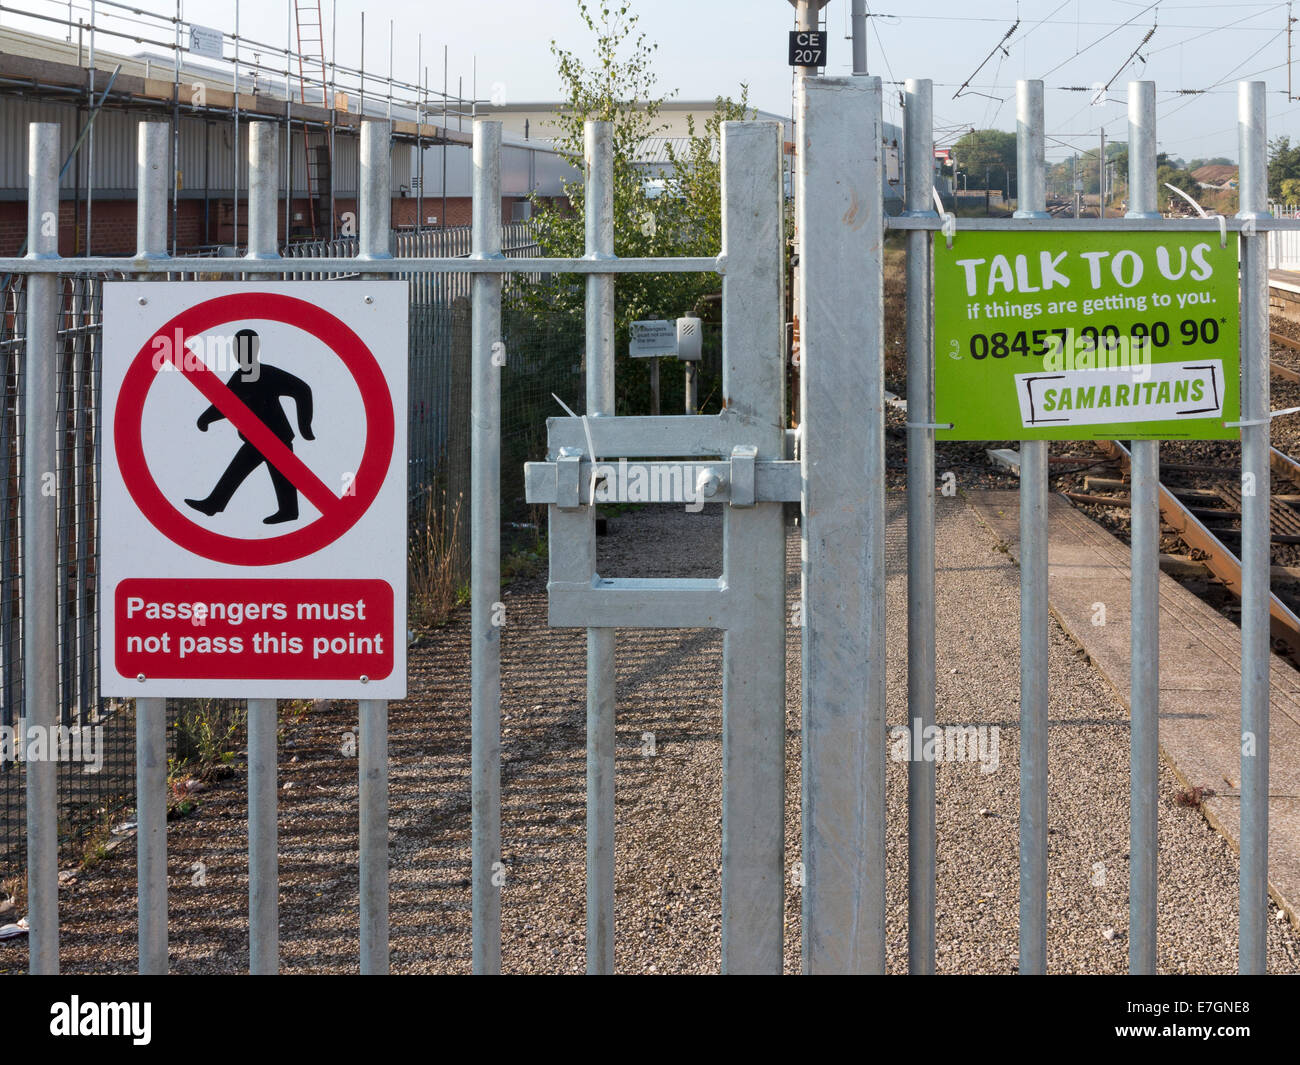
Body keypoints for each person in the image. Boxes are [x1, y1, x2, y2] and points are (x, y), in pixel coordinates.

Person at [184, 328, 315, 524]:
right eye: (237, 348)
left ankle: (216, 504)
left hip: (276, 436)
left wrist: (305, 427)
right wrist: (206, 419)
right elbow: (225, 403)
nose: (240, 353)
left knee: (274, 473)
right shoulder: (240, 376)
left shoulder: (267, 373)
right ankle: (215, 504)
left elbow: (302, 390)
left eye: (245, 348)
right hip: (256, 437)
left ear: (255, 350)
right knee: (269, 472)